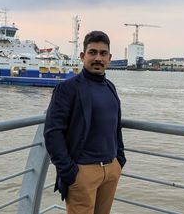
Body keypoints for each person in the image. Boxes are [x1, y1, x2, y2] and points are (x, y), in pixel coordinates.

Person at [44, 30, 126, 214]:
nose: (98, 58)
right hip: (82, 172)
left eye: (103, 53)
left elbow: (115, 127)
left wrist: (119, 160)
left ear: (109, 58)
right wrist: (70, 172)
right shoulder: (67, 89)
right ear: (82, 56)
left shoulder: (110, 87)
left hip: (111, 170)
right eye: (93, 52)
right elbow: (52, 132)